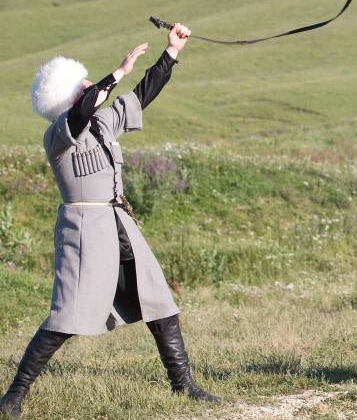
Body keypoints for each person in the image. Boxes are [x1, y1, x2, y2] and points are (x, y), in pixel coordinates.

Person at [0, 24, 218, 419]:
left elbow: (142, 95)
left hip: (120, 223)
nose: (91, 85)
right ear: (68, 97)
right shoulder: (58, 136)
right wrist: (117, 71)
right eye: (83, 84)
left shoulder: (102, 123)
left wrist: (171, 53)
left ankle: (183, 385)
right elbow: (84, 108)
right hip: (84, 232)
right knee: (67, 315)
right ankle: (14, 396)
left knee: (160, 302)